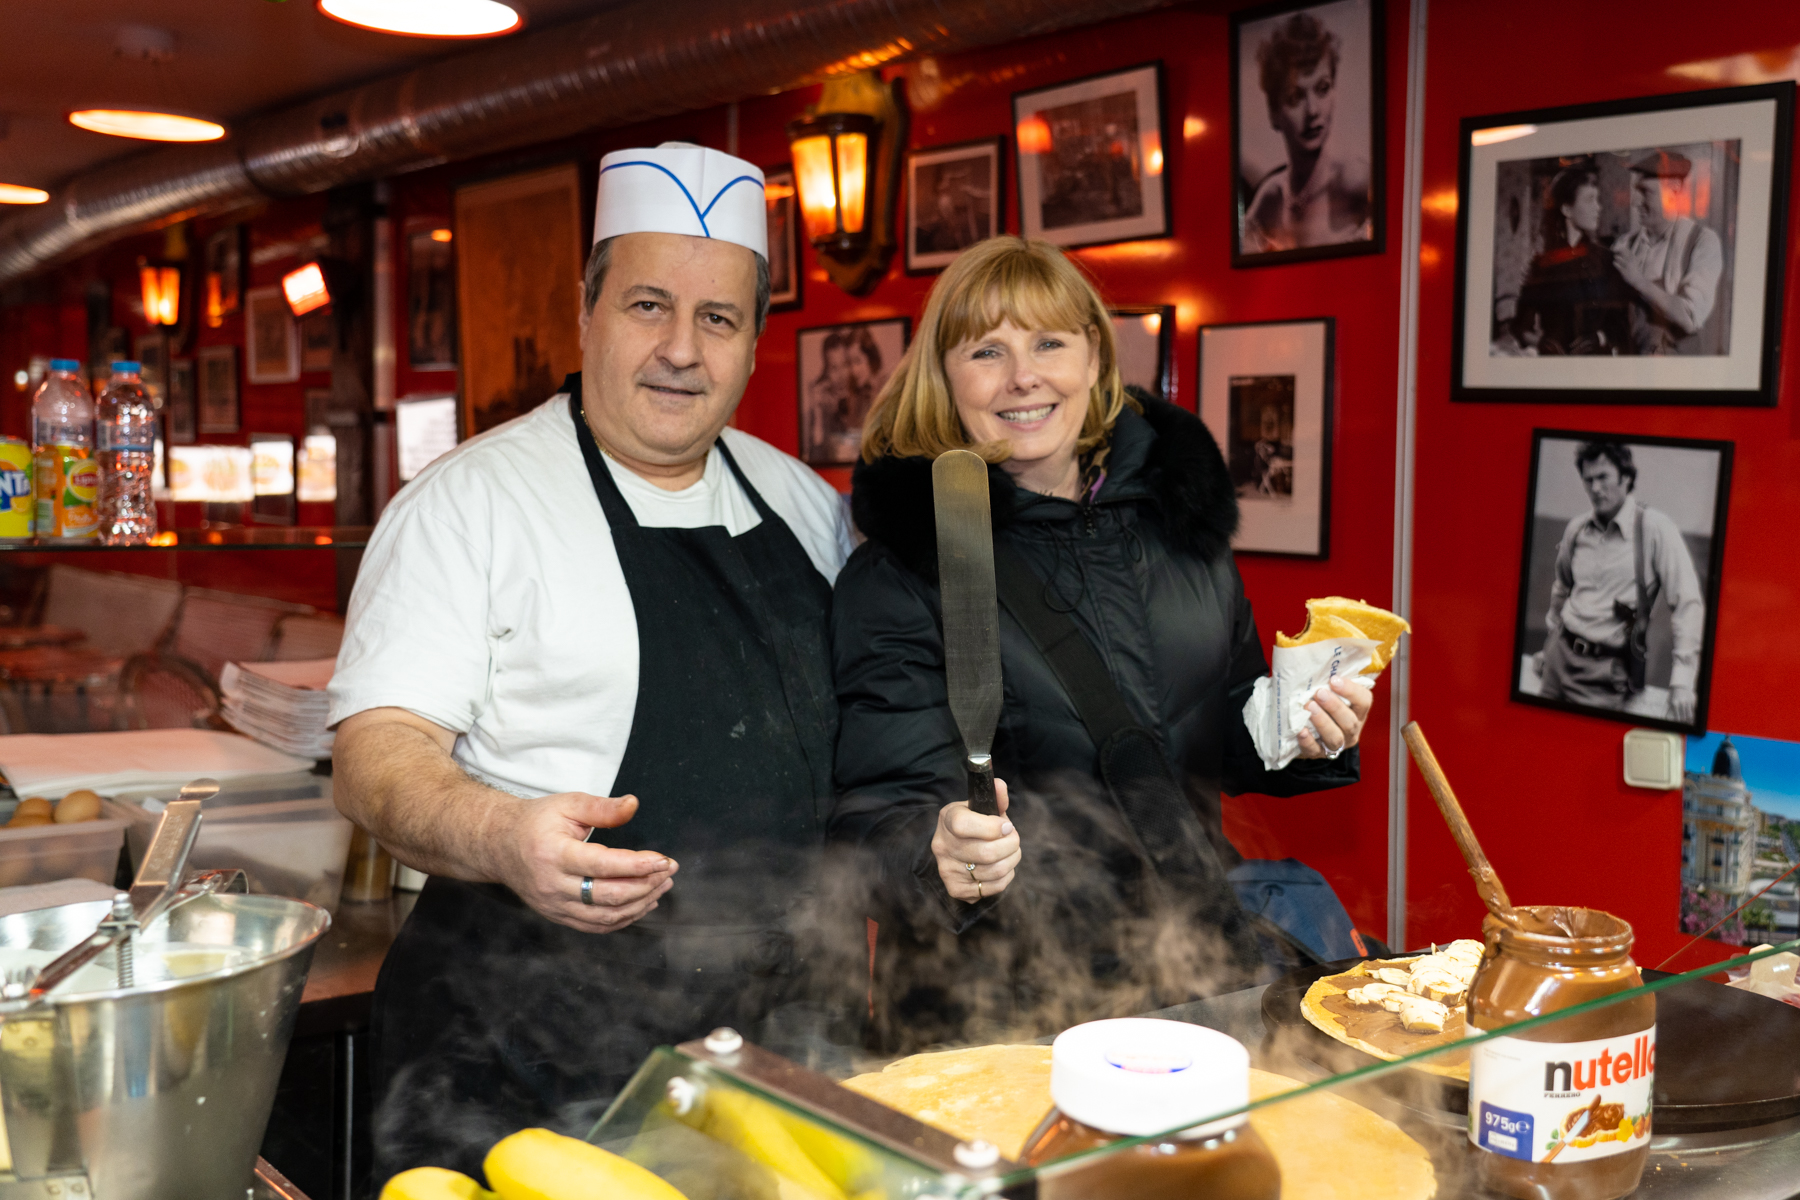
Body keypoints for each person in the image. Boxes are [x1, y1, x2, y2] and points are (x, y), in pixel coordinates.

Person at [328, 143, 854, 1175]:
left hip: (765, 1048)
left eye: (719, 318)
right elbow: (374, 756)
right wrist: (500, 832)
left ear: (753, 343)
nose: (681, 351)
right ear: (587, 312)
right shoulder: (472, 503)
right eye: (648, 305)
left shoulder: (805, 507)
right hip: (520, 1058)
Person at [829, 236, 1368, 1050]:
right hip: (997, 1014)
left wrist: (1303, 728)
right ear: (944, 379)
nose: (1024, 376)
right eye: (987, 351)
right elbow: (871, 814)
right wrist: (935, 854)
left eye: (1049, 342)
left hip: (1190, 984)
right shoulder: (906, 571)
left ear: (1094, 358)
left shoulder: (1181, 532)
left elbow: (1220, 729)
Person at [1532, 441, 1704, 722]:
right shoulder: (1577, 528)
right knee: (1535, 736)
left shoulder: (1654, 528)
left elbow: (1687, 603)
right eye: (1588, 480)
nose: (1595, 488)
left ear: (1625, 477)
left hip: (1603, 672)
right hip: (1557, 657)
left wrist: (1682, 681)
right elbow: (1562, 589)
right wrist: (1550, 643)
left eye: (1603, 477)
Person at [1241, 11, 1372, 253]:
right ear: (1274, 111)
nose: (1312, 110)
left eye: (1322, 89)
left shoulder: (1355, 181)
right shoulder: (1270, 198)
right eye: (1295, 97)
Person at [1612, 150, 1724, 355]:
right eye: (1636, 191)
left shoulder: (1702, 242)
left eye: (1646, 192)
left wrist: (1639, 281)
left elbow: (1690, 318)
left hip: (1679, 374)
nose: (1636, 202)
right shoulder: (1626, 244)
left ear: (1674, 190)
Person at [1514, 166, 1632, 355]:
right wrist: (1543, 342)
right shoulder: (1542, 264)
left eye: (1598, 200)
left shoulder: (1607, 260)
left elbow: (1621, 327)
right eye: (1589, 200)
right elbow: (1521, 328)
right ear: (1567, 209)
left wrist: (1599, 338)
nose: (1598, 207)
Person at [805, 325, 885, 463]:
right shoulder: (825, 409)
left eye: (845, 365)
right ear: (826, 373)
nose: (846, 374)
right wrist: (818, 414)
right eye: (834, 368)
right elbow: (815, 461)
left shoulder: (870, 396)